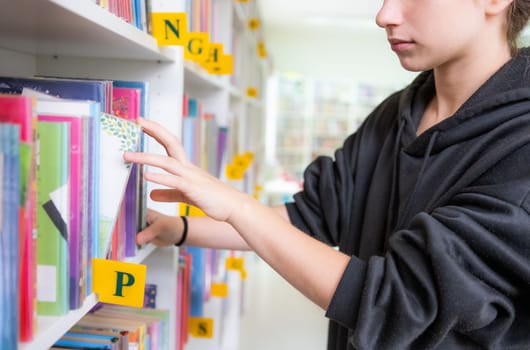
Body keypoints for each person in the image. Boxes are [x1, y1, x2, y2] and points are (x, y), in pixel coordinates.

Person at [124, 0, 530, 348]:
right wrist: (177, 229)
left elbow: (392, 298)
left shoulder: (522, 142)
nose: (384, 15)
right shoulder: (398, 112)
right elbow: (308, 217)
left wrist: (236, 206)